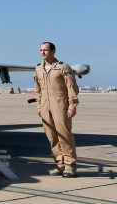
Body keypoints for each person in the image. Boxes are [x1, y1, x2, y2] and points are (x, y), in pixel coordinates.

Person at [35, 41, 80, 177]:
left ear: (53, 51)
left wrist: (72, 106)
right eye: (41, 50)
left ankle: (70, 166)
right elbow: (38, 90)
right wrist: (39, 106)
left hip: (61, 106)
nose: (42, 52)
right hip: (45, 106)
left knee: (64, 135)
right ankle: (60, 164)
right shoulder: (38, 69)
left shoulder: (63, 67)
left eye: (46, 50)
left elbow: (72, 89)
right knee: (52, 137)